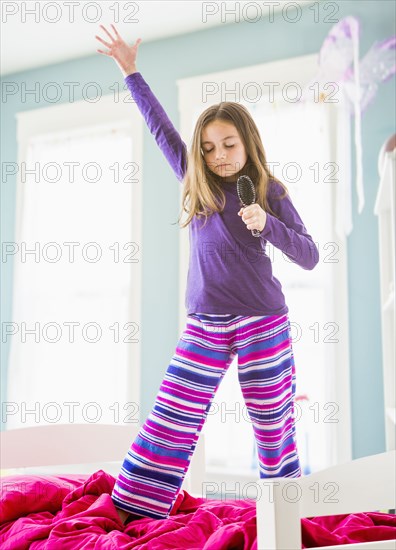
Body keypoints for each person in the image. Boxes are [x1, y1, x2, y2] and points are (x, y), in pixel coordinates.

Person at [95, 24, 319, 524]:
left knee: (271, 422)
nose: (218, 154)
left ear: (248, 145)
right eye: (210, 146)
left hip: (264, 321)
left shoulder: (271, 192)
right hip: (206, 322)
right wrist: (130, 72)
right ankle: (134, 508)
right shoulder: (195, 182)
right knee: (173, 412)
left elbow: (309, 256)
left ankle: (283, 518)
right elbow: (159, 127)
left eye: (229, 144)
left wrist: (270, 226)